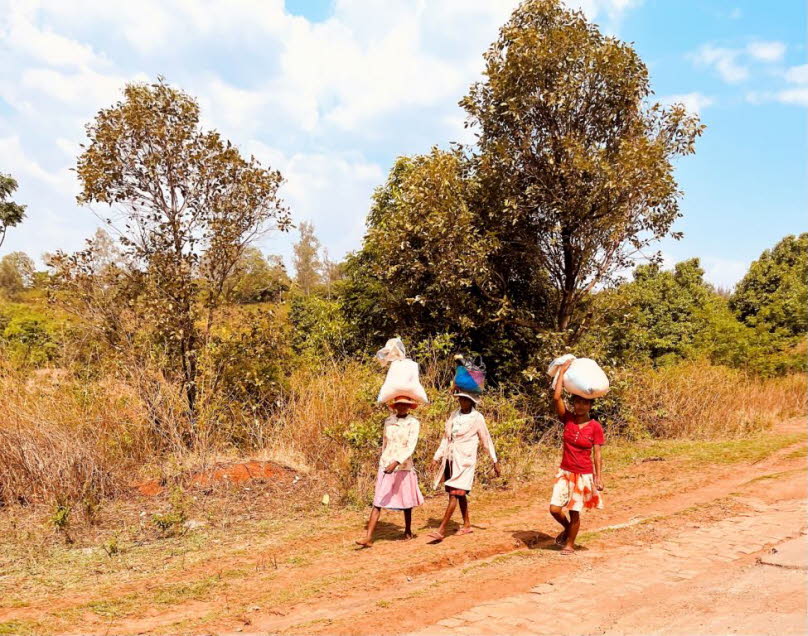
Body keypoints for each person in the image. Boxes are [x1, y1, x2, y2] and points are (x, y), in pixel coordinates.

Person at [428, 391, 499, 542]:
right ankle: (466, 524)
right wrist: (436, 456)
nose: (462, 402)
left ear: (471, 401)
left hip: (465, 460)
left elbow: (486, 439)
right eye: (460, 399)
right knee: (458, 493)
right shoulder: (454, 415)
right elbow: (446, 438)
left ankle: (441, 530)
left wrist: (494, 460)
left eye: (465, 399)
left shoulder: (477, 418)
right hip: (451, 458)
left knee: (454, 493)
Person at [550, 359, 605, 555]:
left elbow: (597, 453)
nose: (580, 406)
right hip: (565, 472)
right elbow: (557, 398)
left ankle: (570, 544)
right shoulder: (568, 419)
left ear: (590, 405)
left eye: (585, 402)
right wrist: (562, 372)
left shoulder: (595, 427)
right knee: (555, 509)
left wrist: (598, 477)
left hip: (583, 474)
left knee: (575, 512)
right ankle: (567, 530)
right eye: (577, 401)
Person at [356, 396, 424, 548]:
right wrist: (385, 461)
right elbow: (385, 443)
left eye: (405, 405)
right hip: (386, 464)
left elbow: (410, 446)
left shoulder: (413, 423)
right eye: (399, 404)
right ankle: (368, 537)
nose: (401, 407)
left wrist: (397, 462)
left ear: (409, 406)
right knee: (378, 500)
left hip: (403, 466)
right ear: (395, 406)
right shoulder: (388, 421)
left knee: (406, 500)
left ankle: (407, 530)